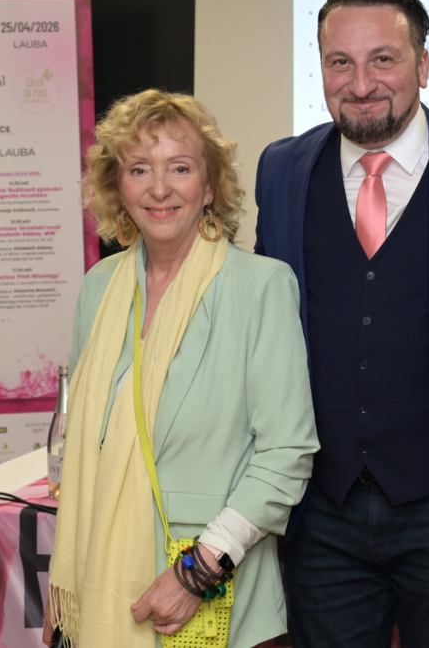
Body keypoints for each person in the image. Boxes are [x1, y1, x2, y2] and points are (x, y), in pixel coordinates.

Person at [254, 0, 429, 648]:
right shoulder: (283, 169)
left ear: (423, 66)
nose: (360, 83)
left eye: (383, 59)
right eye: (339, 62)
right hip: (323, 512)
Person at [45, 89, 319, 648]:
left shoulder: (260, 286)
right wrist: (65, 583)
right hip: (100, 585)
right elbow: (80, 441)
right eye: (139, 169)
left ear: (210, 186)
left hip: (212, 590)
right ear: (117, 186)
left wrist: (197, 572)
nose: (159, 188)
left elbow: (286, 453)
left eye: (180, 168)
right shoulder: (98, 287)